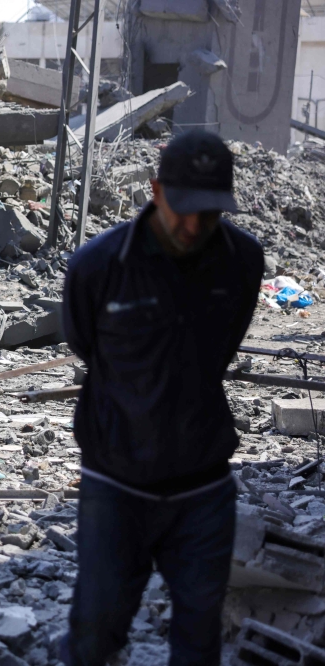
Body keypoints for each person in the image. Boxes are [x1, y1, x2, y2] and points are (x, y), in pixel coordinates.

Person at [60, 130, 263, 665]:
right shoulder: (98, 266)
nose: (194, 225)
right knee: (93, 633)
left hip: (203, 488)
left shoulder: (242, 261)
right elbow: (84, 344)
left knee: (198, 641)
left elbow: (222, 349)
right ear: (155, 191)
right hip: (115, 484)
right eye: (184, 209)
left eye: (209, 213)